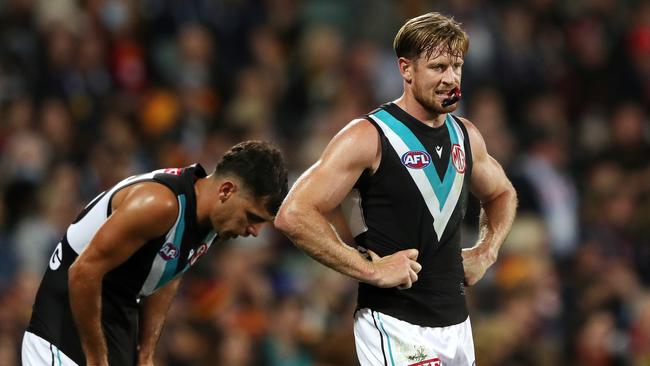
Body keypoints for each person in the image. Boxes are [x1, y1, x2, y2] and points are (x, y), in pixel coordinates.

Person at [275, 12, 517, 366]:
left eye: (456, 66)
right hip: (395, 324)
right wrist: (369, 269)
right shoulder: (367, 135)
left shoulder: (466, 136)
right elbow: (293, 213)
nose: (451, 79)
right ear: (406, 69)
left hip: (457, 326)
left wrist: (487, 250)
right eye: (437, 67)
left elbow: (502, 193)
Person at [22, 141, 288, 366]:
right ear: (227, 190)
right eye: (253, 217)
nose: (254, 231)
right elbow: (82, 272)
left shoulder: (212, 222)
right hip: (61, 333)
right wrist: (97, 360)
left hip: (113, 322)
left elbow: (168, 273)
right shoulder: (159, 204)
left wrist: (146, 352)